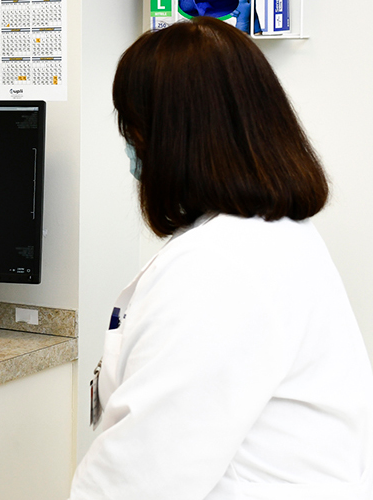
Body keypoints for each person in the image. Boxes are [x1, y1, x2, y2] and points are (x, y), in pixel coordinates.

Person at [70, 17, 373, 499]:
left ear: (173, 137)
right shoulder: (270, 237)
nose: (129, 145)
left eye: (133, 127)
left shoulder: (221, 267)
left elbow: (140, 478)